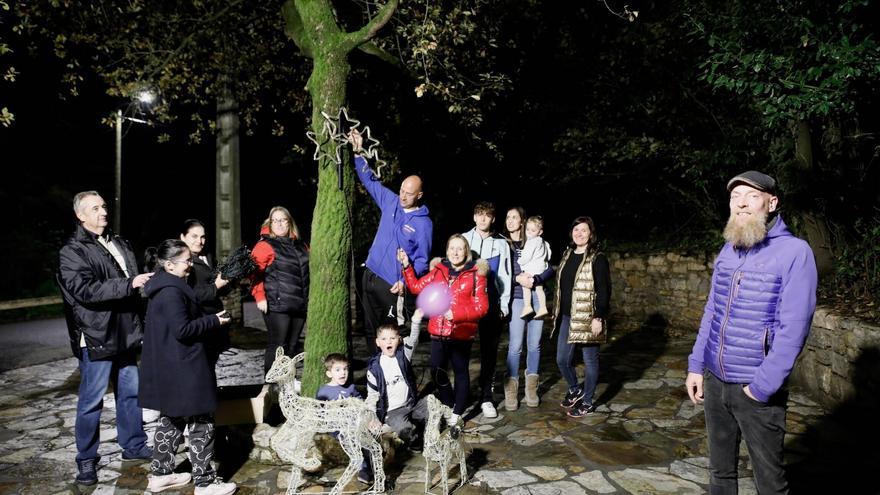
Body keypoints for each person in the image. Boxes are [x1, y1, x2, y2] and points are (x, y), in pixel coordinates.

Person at [685, 171, 818, 494]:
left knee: (769, 483)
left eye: (751, 195)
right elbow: (712, 311)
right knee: (720, 474)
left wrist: (762, 387)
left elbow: (794, 329)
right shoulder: (729, 250)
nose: (741, 203)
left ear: (771, 203)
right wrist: (695, 366)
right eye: (735, 197)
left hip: (756, 389)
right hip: (716, 382)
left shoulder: (795, 253)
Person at [56, 191, 154, 485]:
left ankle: (134, 446)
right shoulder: (72, 251)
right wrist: (129, 284)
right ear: (80, 215)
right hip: (97, 335)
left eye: (103, 206)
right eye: (95, 208)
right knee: (91, 402)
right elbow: (86, 291)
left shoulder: (119, 242)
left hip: (125, 332)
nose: (103, 212)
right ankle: (86, 460)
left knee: (131, 394)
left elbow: (135, 287)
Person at [140, 239, 236, 495]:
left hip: (173, 366)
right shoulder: (171, 291)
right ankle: (205, 482)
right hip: (185, 366)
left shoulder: (163, 286)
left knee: (172, 418)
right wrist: (214, 321)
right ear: (170, 265)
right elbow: (182, 330)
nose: (191, 266)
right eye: (187, 262)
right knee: (202, 419)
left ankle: (161, 474)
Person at [350, 129, 433, 357]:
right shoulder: (391, 202)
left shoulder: (423, 224)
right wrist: (358, 151)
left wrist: (405, 282)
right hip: (370, 276)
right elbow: (370, 181)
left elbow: (422, 261)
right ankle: (374, 379)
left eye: (409, 193)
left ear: (419, 195)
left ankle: (396, 382)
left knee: (391, 335)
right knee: (370, 332)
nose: (403, 196)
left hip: (392, 285)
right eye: (402, 191)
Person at [398, 235, 489, 432]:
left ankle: (457, 413)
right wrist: (406, 265)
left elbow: (482, 307)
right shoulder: (438, 270)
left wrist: (455, 314)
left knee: (460, 372)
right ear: (447, 251)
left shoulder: (476, 274)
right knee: (436, 371)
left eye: (460, 249)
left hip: (461, 333)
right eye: (452, 248)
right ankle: (449, 404)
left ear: (466, 252)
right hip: (437, 331)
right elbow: (415, 287)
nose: (455, 252)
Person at [552, 216, 611, 418]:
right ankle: (575, 388)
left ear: (591, 234)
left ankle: (587, 401)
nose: (579, 234)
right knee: (561, 359)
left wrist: (599, 317)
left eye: (584, 230)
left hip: (589, 317)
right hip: (568, 316)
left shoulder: (598, 257)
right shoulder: (567, 254)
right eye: (576, 230)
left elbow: (604, 290)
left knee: (590, 360)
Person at [461, 201, 511, 419]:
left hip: (491, 304)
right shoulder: (462, 239)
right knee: (461, 352)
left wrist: (505, 303)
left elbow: (505, 276)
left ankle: (486, 398)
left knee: (489, 354)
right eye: (479, 214)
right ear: (474, 217)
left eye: (487, 216)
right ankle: (461, 397)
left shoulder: (502, 244)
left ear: (492, 219)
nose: (483, 219)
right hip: (465, 305)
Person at [503, 207, 555, 411]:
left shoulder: (534, 240)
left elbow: (550, 267)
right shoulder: (503, 243)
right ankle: (511, 389)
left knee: (534, 345)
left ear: (523, 221)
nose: (510, 220)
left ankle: (531, 389)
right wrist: (517, 279)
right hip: (517, 298)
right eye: (508, 217)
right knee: (515, 345)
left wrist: (537, 279)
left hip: (536, 295)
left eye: (515, 217)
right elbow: (500, 272)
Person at [250, 206, 310, 374]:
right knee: (278, 345)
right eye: (275, 220)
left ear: (289, 223)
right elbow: (254, 274)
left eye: (283, 220)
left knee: (292, 346)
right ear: (270, 223)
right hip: (277, 305)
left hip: (299, 305)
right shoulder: (265, 245)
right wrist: (260, 296)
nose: (279, 224)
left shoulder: (302, 245)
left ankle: (286, 384)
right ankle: (270, 384)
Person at [366, 322, 427, 450]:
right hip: (393, 411)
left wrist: (416, 323)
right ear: (377, 342)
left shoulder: (403, 356)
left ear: (399, 340)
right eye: (384, 339)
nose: (388, 342)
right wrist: (373, 417)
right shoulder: (374, 369)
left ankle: (418, 425)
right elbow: (371, 396)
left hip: (411, 403)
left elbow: (413, 339)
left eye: (392, 338)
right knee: (406, 431)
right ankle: (414, 441)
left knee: (433, 407)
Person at [316, 353, 374, 485]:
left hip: (353, 421)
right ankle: (363, 469)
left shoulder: (351, 388)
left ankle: (370, 463)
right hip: (337, 425)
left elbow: (359, 401)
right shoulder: (324, 391)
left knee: (365, 437)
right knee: (352, 439)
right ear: (329, 373)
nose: (343, 373)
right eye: (338, 370)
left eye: (345, 369)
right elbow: (320, 410)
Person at [180, 219, 231, 362]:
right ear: (183, 237)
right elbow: (190, 294)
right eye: (194, 236)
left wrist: (229, 280)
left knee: (211, 367)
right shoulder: (181, 262)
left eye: (202, 237)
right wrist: (217, 286)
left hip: (214, 322)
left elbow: (219, 285)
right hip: (198, 323)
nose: (200, 241)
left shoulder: (207, 256)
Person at [518, 216, 551, 319]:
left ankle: (527, 306)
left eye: (533, 230)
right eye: (527, 229)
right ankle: (543, 307)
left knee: (526, 285)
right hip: (541, 268)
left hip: (532, 269)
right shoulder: (544, 242)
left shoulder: (531, 241)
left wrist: (520, 260)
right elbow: (549, 255)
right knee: (539, 288)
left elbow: (527, 256)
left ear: (540, 232)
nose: (529, 232)